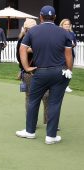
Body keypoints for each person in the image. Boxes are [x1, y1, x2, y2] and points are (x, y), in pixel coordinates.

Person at [16, 5, 73, 144]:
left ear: (41, 17)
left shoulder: (33, 31)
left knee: (33, 100)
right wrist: (69, 70)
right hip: (59, 72)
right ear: (54, 17)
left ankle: (30, 131)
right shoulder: (64, 32)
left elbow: (22, 49)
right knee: (54, 103)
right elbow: (68, 55)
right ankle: (51, 136)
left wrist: (26, 67)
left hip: (40, 72)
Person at [16, 18, 48, 125]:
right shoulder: (22, 40)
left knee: (47, 96)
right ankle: (31, 122)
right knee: (30, 98)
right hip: (28, 73)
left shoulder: (39, 38)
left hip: (42, 71)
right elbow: (19, 57)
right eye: (29, 28)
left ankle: (48, 121)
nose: (31, 30)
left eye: (33, 28)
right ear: (25, 29)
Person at [59, 19, 77, 93]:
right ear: (62, 25)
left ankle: (66, 86)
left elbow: (75, 43)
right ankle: (59, 86)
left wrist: (72, 45)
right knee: (61, 70)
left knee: (69, 70)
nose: (67, 25)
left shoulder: (72, 33)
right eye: (65, 24)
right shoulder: (59, 33)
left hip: (70, 54)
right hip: (61, 55)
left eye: (68, 24)